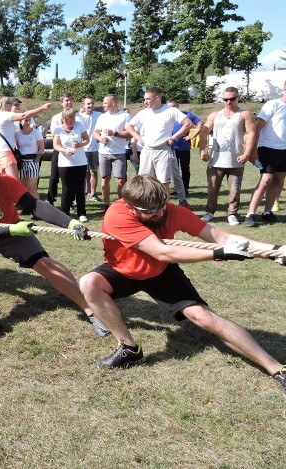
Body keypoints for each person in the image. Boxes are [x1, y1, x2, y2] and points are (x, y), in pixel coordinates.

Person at [78, 174, 286, 395]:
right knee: (89, 283)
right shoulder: (117, 215)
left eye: (161, 206)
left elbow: (219, 236)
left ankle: (277, 368)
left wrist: (274, 251)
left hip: (160, 272)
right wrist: (218, 254)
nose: (159, 213)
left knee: (204, 317)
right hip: (123, 270)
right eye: (150, 211)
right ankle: (129, 348)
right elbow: (163, 251)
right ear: (131, 208)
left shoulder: (171, 211)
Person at [0, 151, 109, 340]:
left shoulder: (5, 182)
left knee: (45, 263)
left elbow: (34, 205)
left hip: (13, 233)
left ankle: (92, 311)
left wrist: (69, 223)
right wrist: (13, 230)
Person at [198, 87, 256, 225]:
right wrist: (202, 151)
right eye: (225, 99)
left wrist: (246, 154)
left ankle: (232, 214)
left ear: (238, 98)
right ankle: (210, 212)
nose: (228, 102)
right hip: (216, 161)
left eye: (232, 99)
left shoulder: (245, 114)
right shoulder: (215, 115)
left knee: (234, 191)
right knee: (212, 189)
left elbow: (252, 134)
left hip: (236, 160)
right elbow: (204, 131)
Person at [126, 87, 192, 198]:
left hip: (163, 150)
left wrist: (174, 137)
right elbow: (129, 126)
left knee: (163, 182)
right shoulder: (143, 113)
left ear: (157, 98)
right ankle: (147, 207)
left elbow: (188, 123)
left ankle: (165, 209)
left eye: (147, 99)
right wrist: (138, 137)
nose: (145, 102)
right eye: (144, 99)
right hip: (146, 150)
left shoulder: (170, 111)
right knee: (145, 182)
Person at [243, 80, 286, 227]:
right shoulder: (272, 104)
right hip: (267, 148)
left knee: (278, 180)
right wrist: (253, 150)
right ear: (284, 87)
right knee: (266, 180)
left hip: (284, 151)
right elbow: (257, 127)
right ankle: (250, 214)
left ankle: (267, 212)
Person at [0, 97, 52, 180]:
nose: (12, 106)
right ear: (6, 104)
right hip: (6, 153)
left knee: (2, 181)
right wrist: (43, 108)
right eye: (10, 103)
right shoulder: (5, 114)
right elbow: (24, 115)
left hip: (1, 152)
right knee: (14, 182)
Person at [93, 94, 131, 211]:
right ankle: (107, 205)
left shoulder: (125, 116)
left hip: (119, 153)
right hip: (103, 152)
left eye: (105, 103)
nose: (103, 105)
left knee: (120, 180)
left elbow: (130, 134)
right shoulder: (102, 117)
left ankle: (122, 205)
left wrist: (114, 133)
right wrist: (100, 138)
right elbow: (95, 132)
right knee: (105, 179)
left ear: (113, 103)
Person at [53, 109, 89, 221]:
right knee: (66, 189)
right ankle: (65, 212)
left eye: (73, 118)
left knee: (79, 188)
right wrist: (64, 150)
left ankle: (82, 213)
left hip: (80, 162)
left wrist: (80, 144)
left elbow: (87, 139)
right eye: (69, 119)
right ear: (64, 119)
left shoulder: (79, 125)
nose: (72, 121)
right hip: (65, 163)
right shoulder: (58, 129)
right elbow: (56, 145)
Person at [167, 99, 203, 195]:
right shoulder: (166, 117)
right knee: (174, 170)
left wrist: (192, 136)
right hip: (171, 148)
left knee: (185, 168)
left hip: (184, 148)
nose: (172, 109)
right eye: (169, 107)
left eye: (173, 106)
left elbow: (200, 124)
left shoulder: (187, 115)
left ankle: (185, 189)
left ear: (177, 106)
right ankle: (177, 189)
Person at [48, 93, 74, 204]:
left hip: (72, 152)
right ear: (61, 103)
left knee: (70, 178)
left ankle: (70, 201)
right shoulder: (56, 118)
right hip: (59, 150)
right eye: (66, 100)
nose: (68, 102)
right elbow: (54, 133)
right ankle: (51, 199)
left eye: (70, 100)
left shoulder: (77, 116)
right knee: (54, 176)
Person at [77, 95, 102, 201]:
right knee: (81, 173)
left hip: (95, 149)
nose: (90, 105)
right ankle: (81, 194)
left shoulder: (99, 115)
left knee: (94, 171)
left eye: (92, 103)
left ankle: (92, 193)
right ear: (84, 105)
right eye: (88, 103)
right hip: (82, 149)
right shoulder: (78, 117)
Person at [15, 116, 44, 201]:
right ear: (21, 122)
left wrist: (37, 160)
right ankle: (26, 207)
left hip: (33, 161)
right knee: (23, 189)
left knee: (32, 188)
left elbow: (41, 148)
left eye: (29, 121)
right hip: (22, 162)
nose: (27, 123)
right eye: (25, 121)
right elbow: (17, 148)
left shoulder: (36, 132)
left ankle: (38, 209)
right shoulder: (17, 134)